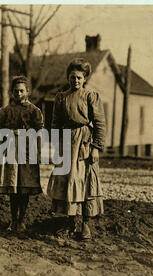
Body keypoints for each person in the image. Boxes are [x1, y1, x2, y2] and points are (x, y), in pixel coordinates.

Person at [47, 58, 106, 241]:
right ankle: (70, 223)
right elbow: (55, 123)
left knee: (85, 182)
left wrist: (96, 148)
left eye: (79, 77)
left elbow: (99, 123)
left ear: (85, 78)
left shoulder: (91, 96)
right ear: (68, 77)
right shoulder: (61, 97)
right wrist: (56, 147)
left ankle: (85, 225)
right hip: (66, 143)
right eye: (73, 77)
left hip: (84, 144)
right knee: (68, 181)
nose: (76, 81)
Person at [0, 76, 44, 233]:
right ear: (11, 93)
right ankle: (13, 220)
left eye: (22, 91)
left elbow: (39, 132)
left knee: (24, 187)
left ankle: (21, 220)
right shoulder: (5, 111)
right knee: (13, 187)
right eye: (16, 91)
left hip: (28, 152)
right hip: (11, 151)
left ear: (28, 92)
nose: (19, 94)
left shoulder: (34, 111)